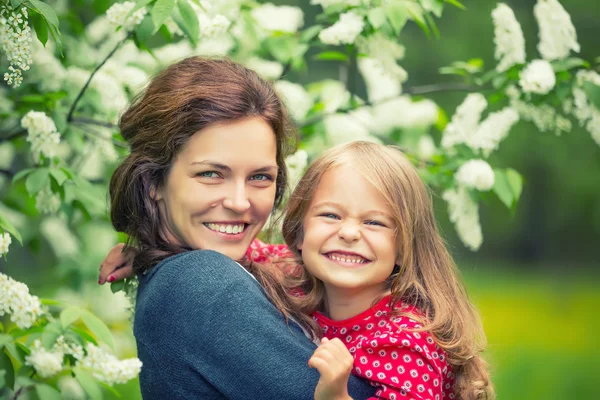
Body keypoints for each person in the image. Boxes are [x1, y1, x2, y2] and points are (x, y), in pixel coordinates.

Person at [107, 56, 376, 399]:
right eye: (211, 174)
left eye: (260, 177)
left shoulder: (200, 272)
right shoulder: (200, 283)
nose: (239, 202)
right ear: (153, 182)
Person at [274, 141, 494, 400]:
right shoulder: (297, 278)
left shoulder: (404, 341)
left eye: (374, 222)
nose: (349, 233)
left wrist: (337, 397)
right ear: (301, 232)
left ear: (404, 248)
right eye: (331, 215)